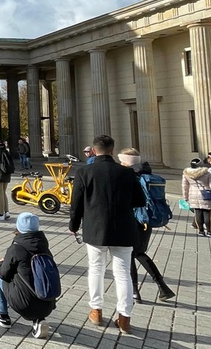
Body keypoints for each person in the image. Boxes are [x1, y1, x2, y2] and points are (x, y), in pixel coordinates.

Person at [69, 134, 145, 335]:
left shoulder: (84, 172)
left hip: (95, 229)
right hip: (124, 229)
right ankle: (124, 318)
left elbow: (75, 204)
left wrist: (73, 225)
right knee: (123, 274)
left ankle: (96, 311)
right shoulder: (127, 173)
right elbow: (139, 201)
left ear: (94, 151)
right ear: (112, 150)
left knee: (96, 269)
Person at [117, 148, 175, 303]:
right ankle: (163, 287)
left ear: (125, 161)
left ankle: (134, 291)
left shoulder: (128, 175)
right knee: (140, 252)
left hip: (132, 218)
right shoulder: (147, 173)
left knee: (129, 254)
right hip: (146, 219)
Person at [0, 212, 55, 338]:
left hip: (24, 304)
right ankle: (39, 320)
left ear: (19, 227)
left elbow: (3, 274)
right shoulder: (44, 246)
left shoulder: (16, 247)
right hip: (48, 303)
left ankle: (3, 315)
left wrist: (3, 263)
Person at [183, 157, 211, 237]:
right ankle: (209, 231)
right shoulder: (206, 173)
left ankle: (201, 231)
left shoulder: (186, 173)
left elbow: (185, 186)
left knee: (198, 213)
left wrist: (185, 197)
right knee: (207, 213)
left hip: (193, 195)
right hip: (206, 195)